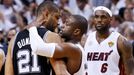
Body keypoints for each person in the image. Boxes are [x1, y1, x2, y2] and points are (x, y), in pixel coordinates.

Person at [5, 1, 70, 75]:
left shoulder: (14, 40)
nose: (58, 22)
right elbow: (60, 72)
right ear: (46, 14)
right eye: (57, 17)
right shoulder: (52, 36)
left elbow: (8, 73)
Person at [84, 6, 134, 75]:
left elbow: (130, 71)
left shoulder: (121, 42)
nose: (99, 20)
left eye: (103, 17)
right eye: (96, 17)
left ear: (110, 20)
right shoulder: (85, 39)